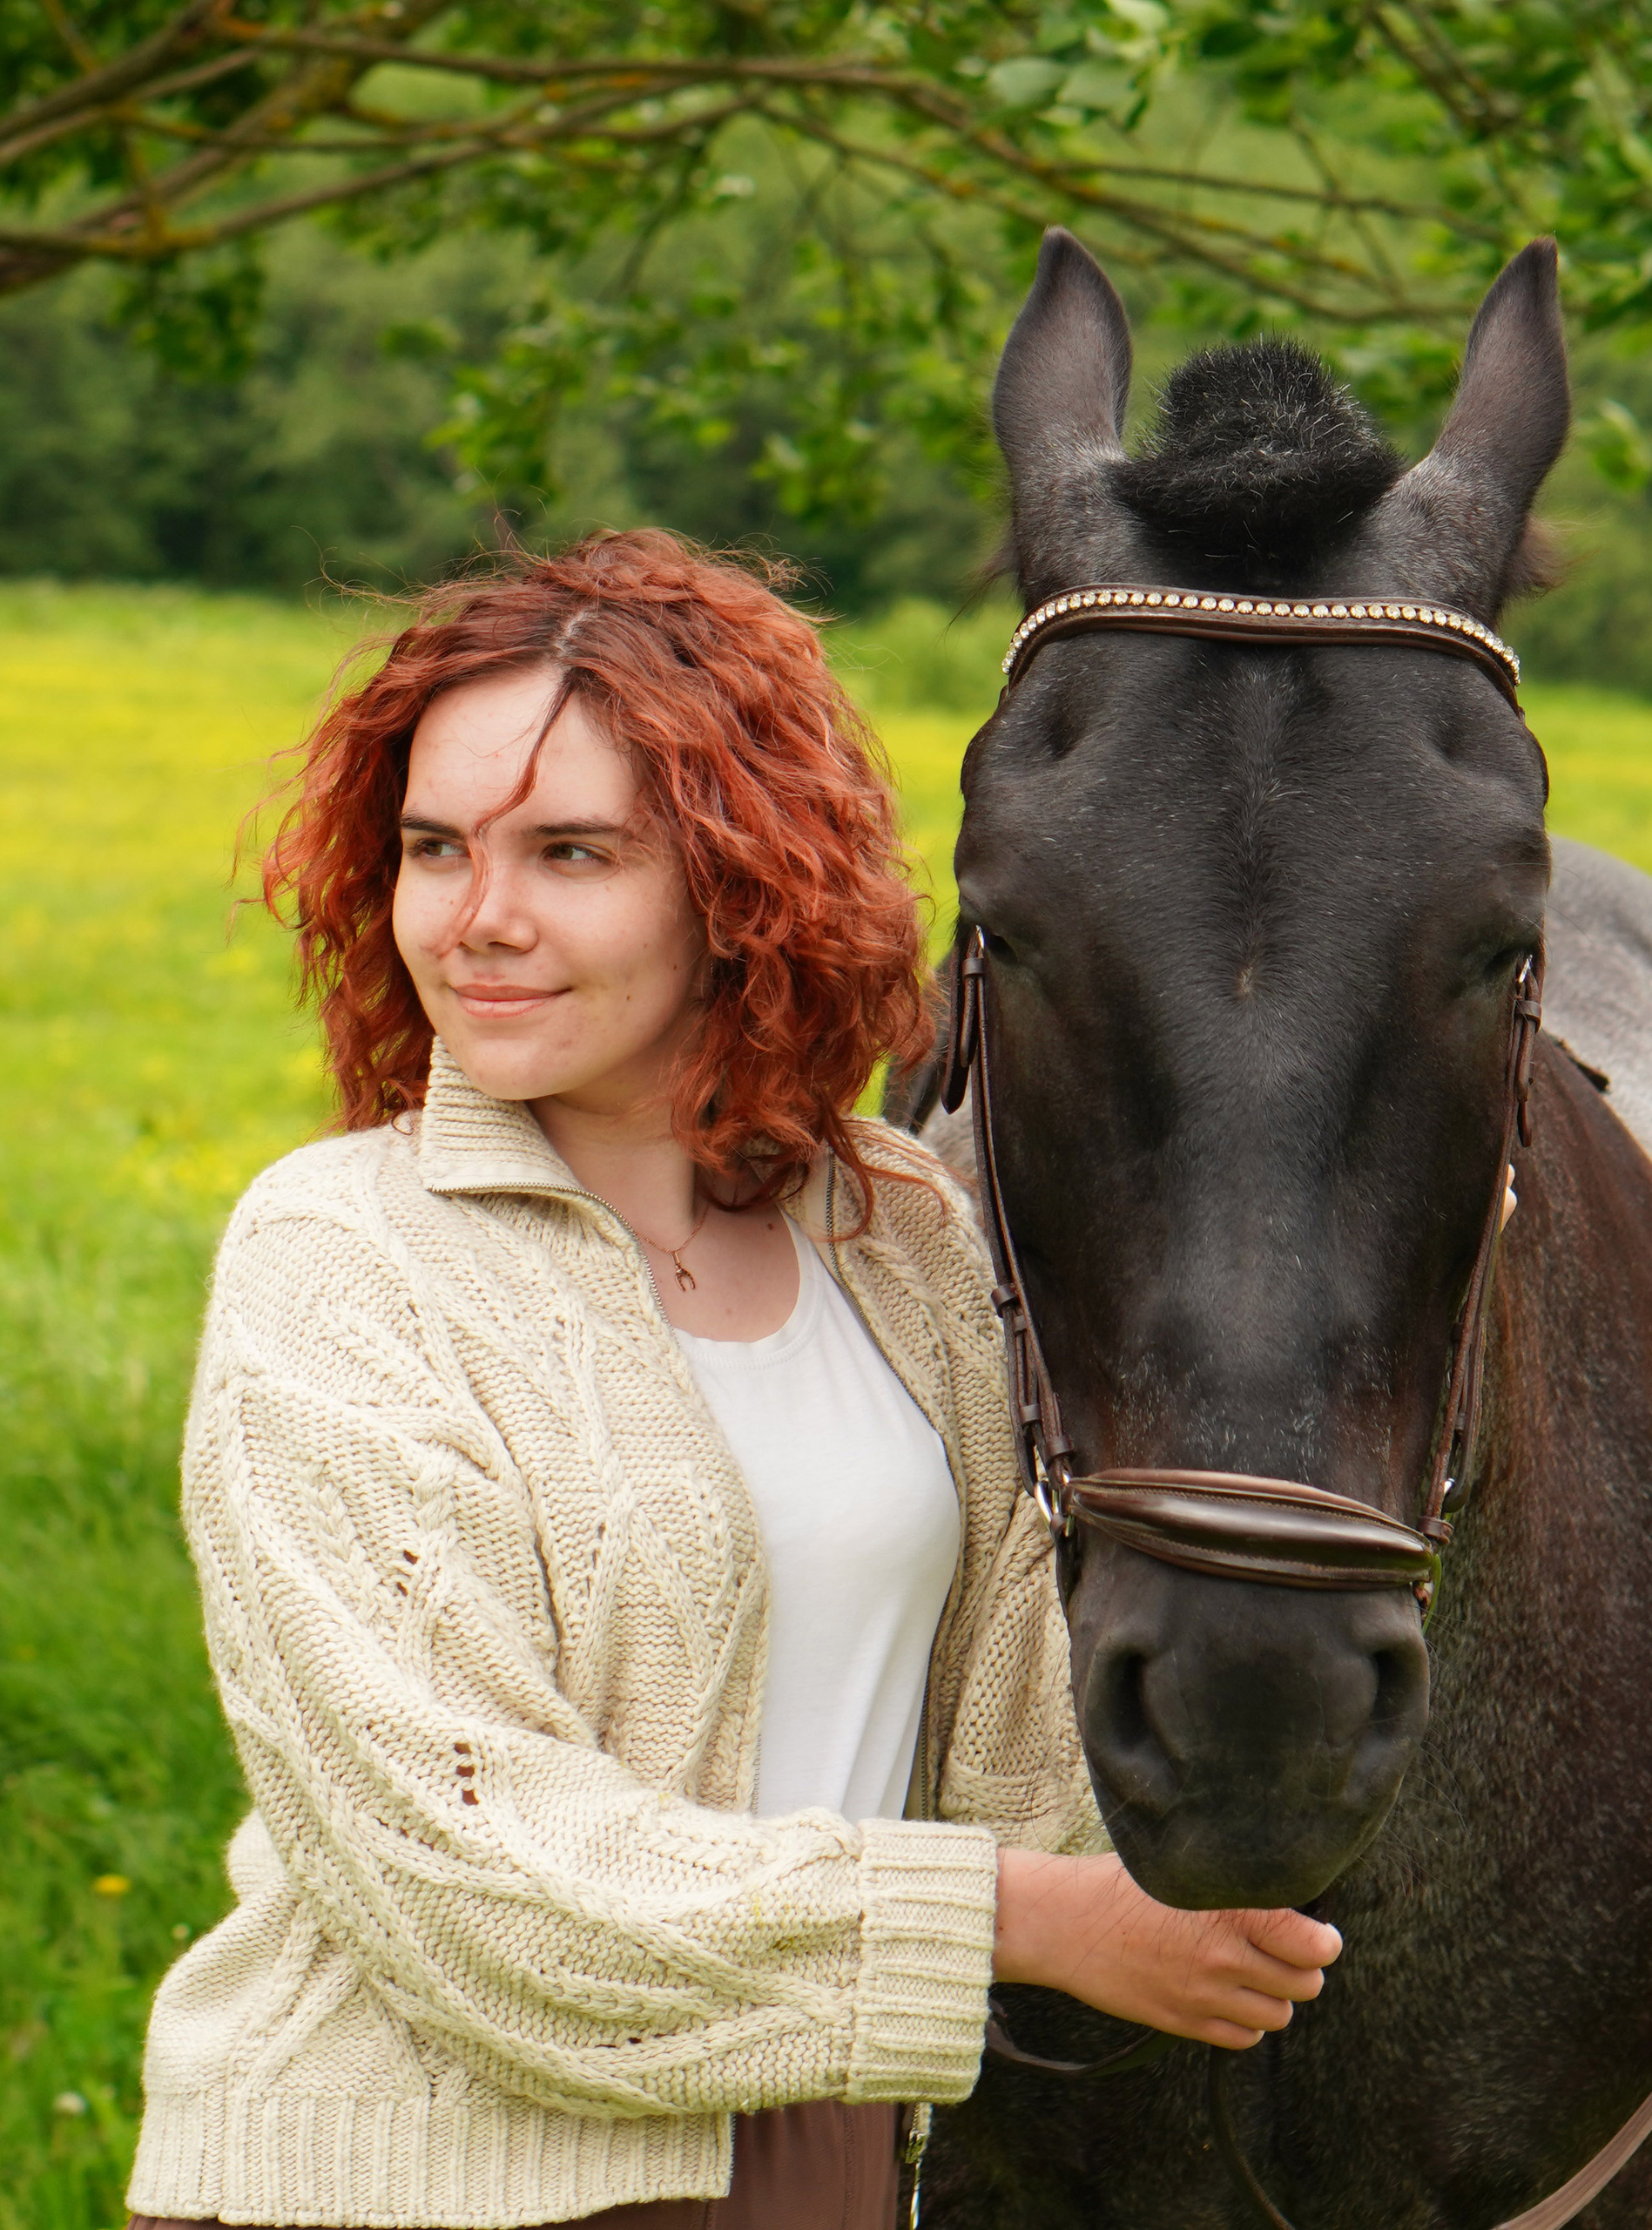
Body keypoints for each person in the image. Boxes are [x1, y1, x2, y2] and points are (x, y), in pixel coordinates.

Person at [124, 532, 1339, 2230]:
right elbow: (472, 1879)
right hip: (406, 2179)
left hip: (817, 2151)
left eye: (568, 851)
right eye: (432, 848)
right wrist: (1017, 1919)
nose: (478, 918)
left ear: (739, 878)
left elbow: (1018, 1758)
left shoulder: (901, 1240)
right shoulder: (342, 1255)